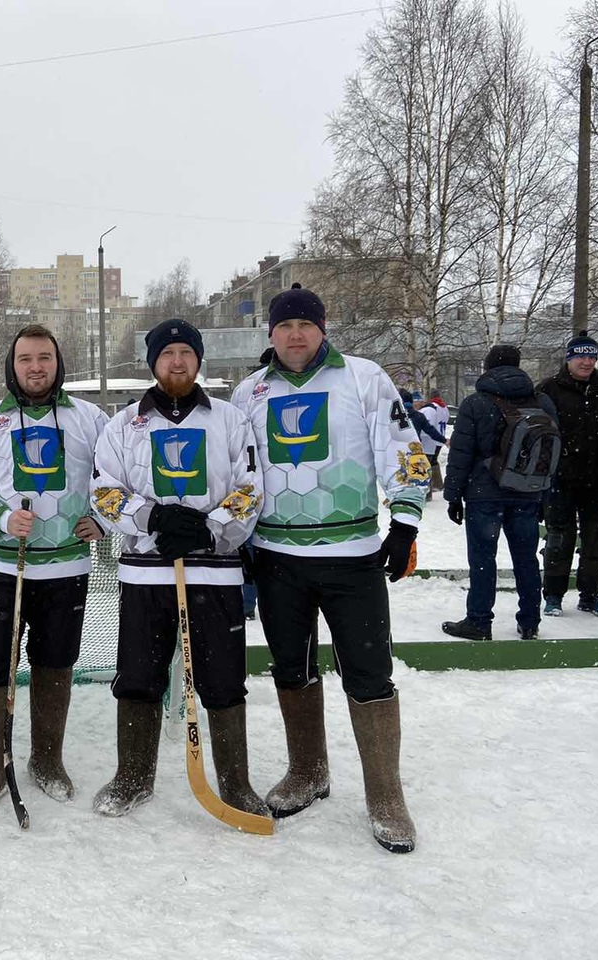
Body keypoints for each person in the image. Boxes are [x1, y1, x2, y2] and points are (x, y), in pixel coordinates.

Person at [231, 283, 425, 854]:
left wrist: (407, 519)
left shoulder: (363, 377)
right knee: (292, 668)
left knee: (369, 674)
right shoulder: (250, 392)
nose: (295, 335)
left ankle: (386, 794)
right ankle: (307, 771)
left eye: (306, 325)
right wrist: (235, 534)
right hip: (276, 559)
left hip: (351, 557)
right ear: (270, 333)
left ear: (322, 330)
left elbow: (402, 448)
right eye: (285, 326)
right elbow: (237, 471)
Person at [91, 318, 267, 820]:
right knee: (139, 678)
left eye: (185, 353)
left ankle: (235, 783)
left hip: (214, 573)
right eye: (167, 354)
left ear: (197, 360)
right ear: (153, 363)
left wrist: (209, 529)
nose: (177, 361)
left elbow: (250, 486)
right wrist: (151, 517)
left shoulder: (231, 420)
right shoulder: (123, 424)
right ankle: (132, 777)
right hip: (146, 574)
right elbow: (104, 490)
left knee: (224, 680)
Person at [0, 324, 108, 815]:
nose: (36, 367)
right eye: (25, 359)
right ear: (11, 365)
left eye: (44, 357)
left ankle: (46, 759)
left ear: (57, 363)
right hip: (3, 568)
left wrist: (103, 518)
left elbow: (118, 473)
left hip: (65, 568)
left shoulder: (90, 418)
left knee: (55, 663)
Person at [440, 345, 558, 641]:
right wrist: (545, 494)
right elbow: (552, 453)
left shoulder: (475, 403)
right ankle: (530, 621)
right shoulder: (543, 402)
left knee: (483, 559)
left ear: (487, 367)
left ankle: (479, 621)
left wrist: (453, 495)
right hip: (528, 493)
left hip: (484, 494)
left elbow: (462, 454)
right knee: (526, 559)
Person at [536, 331, 598, 618]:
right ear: (569, 359)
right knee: (559, 539)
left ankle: (590, 595)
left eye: (591, 356)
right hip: (561, 478)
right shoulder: (549, 389)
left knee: (597, 540)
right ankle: (553, 595)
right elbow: (537, 433)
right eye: (581, 356)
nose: (587, 362)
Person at [417, 392, 450, 495]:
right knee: (433, 461)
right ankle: (437, 484)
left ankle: (431, 487)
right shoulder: (444, 407)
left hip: (433, 438)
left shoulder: (431, 408)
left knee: (427, 463)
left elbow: (428, 424)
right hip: (440, 435)